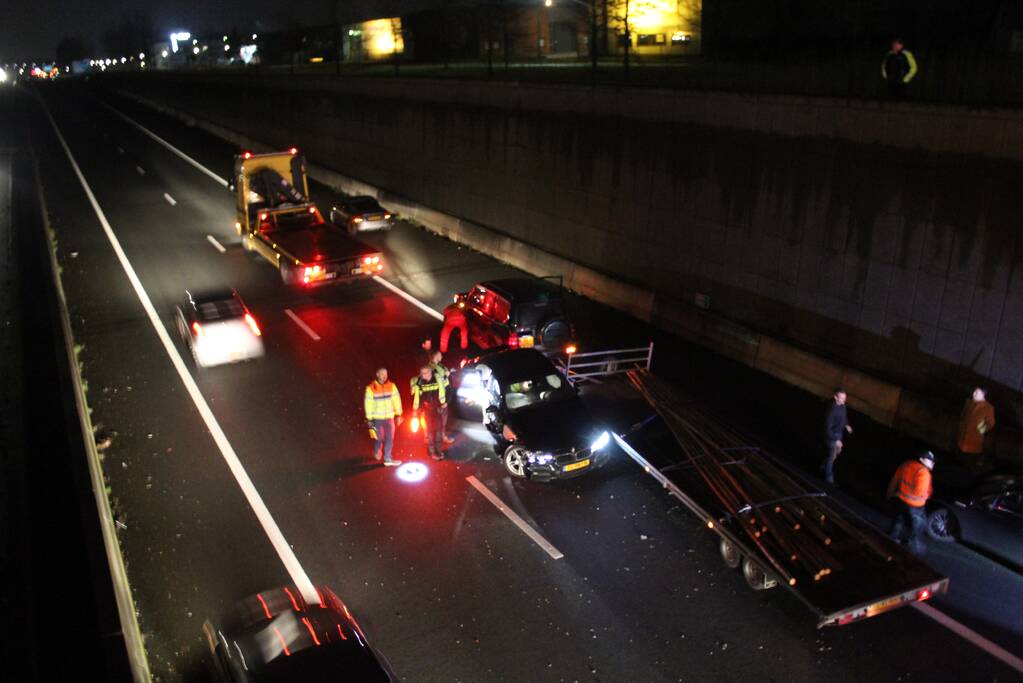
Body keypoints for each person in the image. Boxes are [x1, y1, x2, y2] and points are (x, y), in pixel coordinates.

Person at [887, 451, 935, 554]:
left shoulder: (906, 464)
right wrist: (927, 496)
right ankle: (914, 547)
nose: (932, 463)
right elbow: (920, 492)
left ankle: (891, 540)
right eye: (930, 460)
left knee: (899, 520)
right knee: (919, 525)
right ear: (921, 459)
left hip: (901, 499)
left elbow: (895, 479)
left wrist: (890, 493)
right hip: (915, 505)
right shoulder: (924, 472)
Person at [364, 368, 403, 467]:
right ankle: (377, 450)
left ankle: (388, 458)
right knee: (379, 438)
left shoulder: (392, 386)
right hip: (377, 418)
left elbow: (397, 400)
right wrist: (369, 418)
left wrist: (398, 414)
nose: (384, 376)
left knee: (390, 438)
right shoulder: (370, 388)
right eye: (382, 374)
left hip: (389, 417)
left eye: (386, 374)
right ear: (377, 374)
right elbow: (368, 404)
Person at [411, 365, 447, 460]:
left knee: (439, 430)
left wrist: (444, 403)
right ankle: (432, 452)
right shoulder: (420, 383)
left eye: (425, 373)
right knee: (430, 432)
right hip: (427, 410)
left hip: (437, 409)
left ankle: (439, 450)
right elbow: (417, 398)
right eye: (422, 373)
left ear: (430, 372)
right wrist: (416, 411)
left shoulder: (437, 380)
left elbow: (444, 391)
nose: (423, 375)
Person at [957, 387, 995, 473]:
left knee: (969, 464)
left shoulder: (988, 408)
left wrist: (980, 430)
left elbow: (990, 423)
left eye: (977, 393)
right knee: (960, 461)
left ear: (983, 395)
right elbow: (963, 415)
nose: (974, 394)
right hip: (962, 439)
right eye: (974, 392)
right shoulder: (969, 402)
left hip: (973, 442)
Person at [823, 389, 853, 484]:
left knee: (837, 452)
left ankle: (825, 465)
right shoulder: (832, 411)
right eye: (841, 399)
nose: (843, 401)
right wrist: (836, 440)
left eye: (844, 399)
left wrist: (846, 425)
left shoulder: (843, 406)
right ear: (835, 397)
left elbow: (844, 417)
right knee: (832, 455)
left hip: (839, 434)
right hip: (832, 435)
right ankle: (828, 478)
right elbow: (827, 429)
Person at [429, 349, 456, 445]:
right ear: (435, 356)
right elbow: (436, 380)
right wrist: (446, 375)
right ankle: (439, 438)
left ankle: (439, 436)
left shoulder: (440, 365)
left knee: (443, 418)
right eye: (440, 355)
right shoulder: (431, 367)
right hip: (440, 396)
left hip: (446, 394)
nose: (442, 356)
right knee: (440, 419)